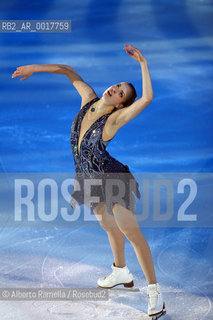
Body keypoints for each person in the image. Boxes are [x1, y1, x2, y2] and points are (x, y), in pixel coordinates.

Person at [12, 44, 166, 318]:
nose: (115, 89)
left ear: (120, 104)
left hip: (112, 180)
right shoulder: (88, 99)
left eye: (121, 93)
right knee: (106, 224)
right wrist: (35, 68)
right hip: (86, 178)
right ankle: (120, 271)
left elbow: (146, 99)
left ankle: (155, 293)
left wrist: (143, 63)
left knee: (130, 231)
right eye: (117, 85)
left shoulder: (114, 120)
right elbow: (69, 71)